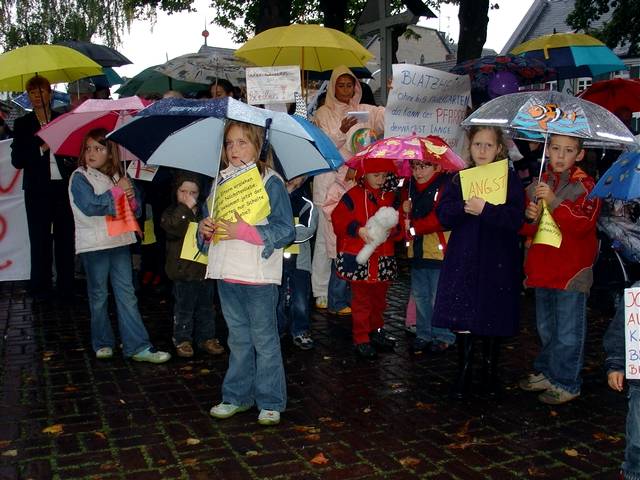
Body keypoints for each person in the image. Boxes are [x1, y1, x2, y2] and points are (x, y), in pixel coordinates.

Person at [199, 120, 294, 426]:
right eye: (229, 143)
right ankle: (237, 396)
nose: (234, 149)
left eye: (242, 142)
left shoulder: (270, 181)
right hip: (227, 273)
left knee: (265, 341)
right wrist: (205, 229)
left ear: (258, 146)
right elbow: (207, 231)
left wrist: (246, 231)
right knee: (238, 340)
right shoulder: (218, 182)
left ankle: (270, 400)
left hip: (258, 275)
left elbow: (285, 230)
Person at [432, 126, 524, 399]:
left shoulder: (509, 179)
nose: (482, 150)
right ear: (469, 148)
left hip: (497, 257)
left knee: (493, 310)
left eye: (488, 145)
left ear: (499, 148)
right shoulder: (460, 178)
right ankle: (464, 371)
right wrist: (463, 208)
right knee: (465, 312)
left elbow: (515, 218)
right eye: (477, 145)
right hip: (466, 255)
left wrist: (487, 211)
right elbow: (444, 214)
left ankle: (490, 371)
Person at [68, 128, 171, 363]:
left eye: (99, 148)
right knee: (99, 296)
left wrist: (132, 196)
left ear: (110, 152)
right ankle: (102, 342)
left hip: (120, 241)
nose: (92, 153)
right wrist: (117, 192)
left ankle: (137, 346)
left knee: (127, 294)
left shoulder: (117, 175)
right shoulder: (79, 176)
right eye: (88, 148)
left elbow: (133, 210)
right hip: (95, 246)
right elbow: (91, 206)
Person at [519, 134, 601, 405]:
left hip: (570, 272)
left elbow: (582, 224)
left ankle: (566, 381)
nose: (560, 155)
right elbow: (529, 228)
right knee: (546, 327)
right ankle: (548, 370)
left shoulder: (586, 186)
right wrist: (530, 217)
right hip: (543, 268)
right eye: (555, 148)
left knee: (568, 331)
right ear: (547, 150)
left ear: (579, 154)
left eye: (568, 150)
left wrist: (553, 201)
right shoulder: (539, 183)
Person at [311, 65, 385, 310]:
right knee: (326, 239)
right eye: (340, 85)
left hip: (354, 183)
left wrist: (396, 95)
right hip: (328, 180)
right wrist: (341, 132)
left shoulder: (365, 110)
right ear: (333, 88)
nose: (345, 89)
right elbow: (322, 146)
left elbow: (385, 117)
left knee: (350, 236)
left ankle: (345, 284)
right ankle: (320, 290)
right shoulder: (323, 113)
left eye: (349, 85)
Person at [11, 75, 76, 302]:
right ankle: (40, 287)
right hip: (37, 190)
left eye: (41, 91)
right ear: (28, 97)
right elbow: (17, 160)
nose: (37, 96)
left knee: (65, 237)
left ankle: (67, 286)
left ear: (49, 93)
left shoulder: (61, 119)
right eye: (32, 93)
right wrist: (43, 146)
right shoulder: (22, 125)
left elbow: (73, 152)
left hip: (62, 188)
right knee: (39, 238)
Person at [331, 157, 401, 359]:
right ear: (364, 175)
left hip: (383, 259)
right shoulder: (353, 195)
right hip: (361, 259)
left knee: (379, 300)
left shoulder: (391, 197)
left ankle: (376, 331)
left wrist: (396, 227)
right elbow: (338, 218)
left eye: (384, 175)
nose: (380, 179)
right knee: (361, 301)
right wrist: (357, 229)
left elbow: (398, 226)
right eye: (375, 175)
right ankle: (361, 338)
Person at [160, 172, 225, 358]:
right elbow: (172, 228)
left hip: (202, 269)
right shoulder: (173, 212)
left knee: (206, 306)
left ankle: (207, 337)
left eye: (193, 192)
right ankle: (182, 339)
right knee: (184, 307)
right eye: (183, 191)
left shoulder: (205, 212)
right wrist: (185, 210)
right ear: (176, 191)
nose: (188, 196)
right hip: (182, 271)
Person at [402, 159, 455, 354]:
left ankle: (443, 334)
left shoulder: (446, 186)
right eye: (415, 167)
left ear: (438, 166)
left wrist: (415, 227)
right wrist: (404, 211)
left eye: (423, 166)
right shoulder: (409, 189)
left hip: (438, 251)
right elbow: (405, 224)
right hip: (417, 251)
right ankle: (423, 334)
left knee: (437, 297)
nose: (418, 172)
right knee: (421, 296)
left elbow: (441, 218)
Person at [604, 283, 640, 480]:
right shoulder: (638, 292)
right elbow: (621, 331)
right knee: (638, 439)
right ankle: (634, 472)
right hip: (639, 385)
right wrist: (616, 365)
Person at [277, 176, 318, 349]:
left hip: (300, 260)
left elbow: (308, 228)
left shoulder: (305, 202)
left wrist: (285, 233)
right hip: (276, 259)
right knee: (276, 297)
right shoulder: (273, 198)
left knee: (300, 297)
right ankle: (276, 329)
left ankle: (300, 329)